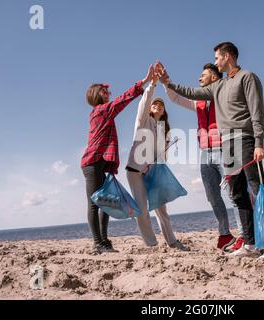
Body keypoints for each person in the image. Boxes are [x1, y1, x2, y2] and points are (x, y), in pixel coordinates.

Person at [156, 42, 264, 258]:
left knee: (255, 190)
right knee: (238, 193)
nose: (215, 61)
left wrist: (259, 142)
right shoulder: (218, 87)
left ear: (227, 56)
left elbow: (257, 112)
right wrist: (167, 82)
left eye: (217, 58)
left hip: (245, 139)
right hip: (227, 145)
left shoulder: (247, 77)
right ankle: (250, 245)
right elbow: (189, 92)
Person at [163, 63, 245, 252]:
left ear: (214, 78)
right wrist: (165, 82)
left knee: (234, 194)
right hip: (205, 154)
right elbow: (175, 97)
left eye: (203, 75)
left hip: (224, 150)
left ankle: (244, 235)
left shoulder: (223, 95)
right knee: (212, 196)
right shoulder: (197, 101)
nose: (199, 78)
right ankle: (225, 234)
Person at [81, 65, 154, 254]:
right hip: (92, 163)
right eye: (105, 92)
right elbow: (123, 100)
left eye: (108, 92)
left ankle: (104, 241)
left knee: (105, 202)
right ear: (98, 95)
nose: (108, 94)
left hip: (102, 163)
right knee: (94, 203)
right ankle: (97, 243)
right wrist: (143, 82)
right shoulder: (101, 111)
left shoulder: (104, 112)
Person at [125, 68, 190, 251]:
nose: (157, 105)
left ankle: (172, 242)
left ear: (164, 111)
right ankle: (151, 244)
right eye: (155, 104)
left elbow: (162, 157)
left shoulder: (164, 131)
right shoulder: (143, 120)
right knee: (142, 210)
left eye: (161, 105)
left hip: (154, 173)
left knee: (162, 210)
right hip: (135, 171)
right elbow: (144, 103)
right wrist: (152, 84)